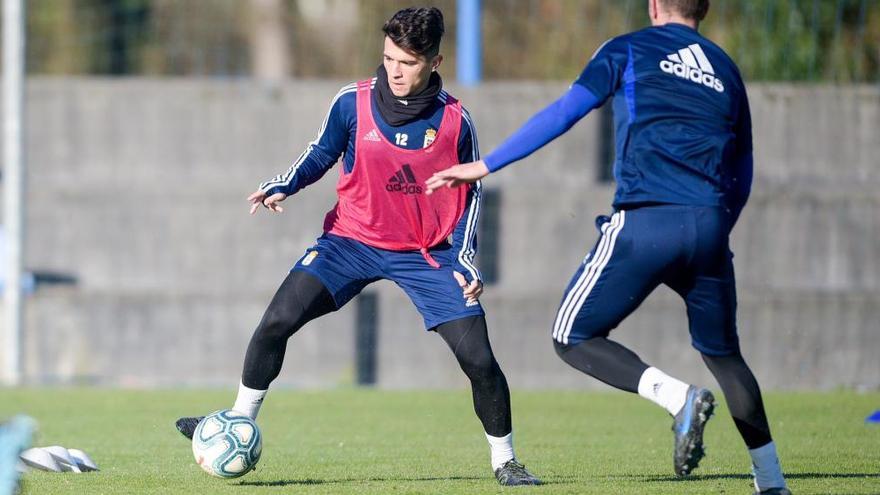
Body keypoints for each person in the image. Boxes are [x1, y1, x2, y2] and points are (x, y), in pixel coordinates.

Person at [426, 0, 789, 493]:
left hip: (646, 220)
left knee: (571, 335)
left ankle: (678, 398)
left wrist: (482, 166)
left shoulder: (629, 49)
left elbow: (565, 112)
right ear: (702, 8)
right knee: (726, 355)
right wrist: (720, 225)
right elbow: (743, 166)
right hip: (709, 226)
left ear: (654, 4)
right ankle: (772, 482)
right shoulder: (725, 67)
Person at [175, 7, 540, 486]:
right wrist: (285, 184)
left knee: (479, 361)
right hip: (350, 241)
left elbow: (472, 193)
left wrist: (467, 259)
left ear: (435, 60)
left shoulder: (455, 122)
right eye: (389, 58)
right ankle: (238, 422)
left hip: (426, 253)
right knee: (276, 322)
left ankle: (505, 461)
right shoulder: (353, 102)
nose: (394, 69)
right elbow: (321, 152)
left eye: (407, 62)